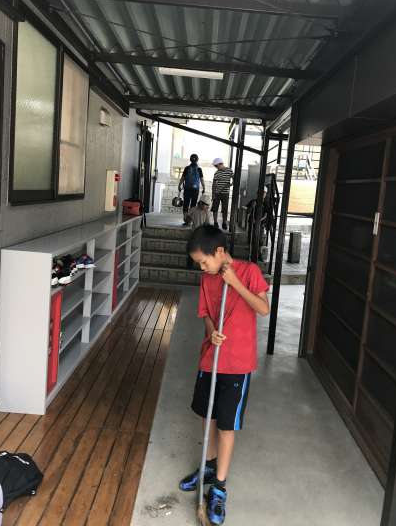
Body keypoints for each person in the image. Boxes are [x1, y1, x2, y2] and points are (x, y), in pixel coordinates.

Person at [179, 225, 270, 525]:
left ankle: (219, 486)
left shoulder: (249, 271)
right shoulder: (207, 279)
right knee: (209, 417)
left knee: (227, 426)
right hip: (211, 360)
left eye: (203, 261)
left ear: (219, 251)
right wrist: (212, 332)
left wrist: (235, 283)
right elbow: (206, 313)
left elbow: (263, 308)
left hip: (237, 364)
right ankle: (207, 466)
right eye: (198, 264)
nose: (202, 267)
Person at [179, 154, 205, 226]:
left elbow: (183, 178)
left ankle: (186, 220)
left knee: (186, 204)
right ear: (197, 160)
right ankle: (190, 221)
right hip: (195, 189)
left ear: (190, 160)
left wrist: (179, 185)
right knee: (193, 205)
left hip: (187, 188)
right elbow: (202, 180)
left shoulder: (187, 168)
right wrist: (204, 188)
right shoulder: (199, 169)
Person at [211, 158, 233, 231]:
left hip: (225, 193)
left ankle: (224, 223)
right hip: (217, 193)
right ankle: (215, 223)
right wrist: (213, 194)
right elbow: (214, 184)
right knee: (215, 208)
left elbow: (235, 179)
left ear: (221, 164)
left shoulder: (229, 171)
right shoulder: (216, 173)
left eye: (216, 166)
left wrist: (230, 184)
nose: (216, 167)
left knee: (225, 209)